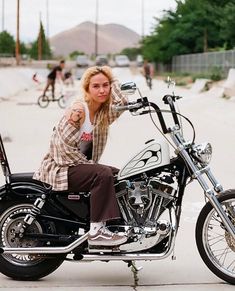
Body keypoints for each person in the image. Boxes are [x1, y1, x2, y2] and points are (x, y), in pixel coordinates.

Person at [33, 66, 128, 247]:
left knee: (120, 175)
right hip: (61, 167)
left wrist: (112, 78)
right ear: (87, 89)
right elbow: (62, 149)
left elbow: (122, 102)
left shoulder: (102, 114)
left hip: (79, 166)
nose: (102, 90)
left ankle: (115, 225)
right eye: (96, 86)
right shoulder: (78, 111)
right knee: (102, 174)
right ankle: (97, 231)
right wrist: (91, 166)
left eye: (105, 85)